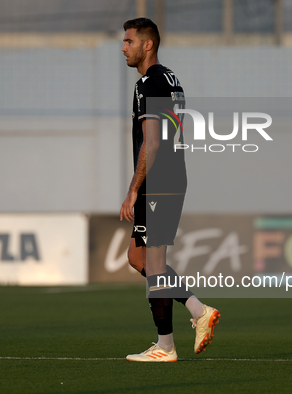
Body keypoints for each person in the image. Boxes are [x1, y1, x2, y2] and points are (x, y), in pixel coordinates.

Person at [119, 17, 220, 363]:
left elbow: (154, 141)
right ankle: (197, 309)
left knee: (156, 266)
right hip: (169, 179)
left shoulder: (149, 83)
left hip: (159, 183)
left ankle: (165, 346)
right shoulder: (170, 79)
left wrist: (134, 189)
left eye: (129, 41)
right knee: (139, 258)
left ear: (147, 45)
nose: (124, 47)